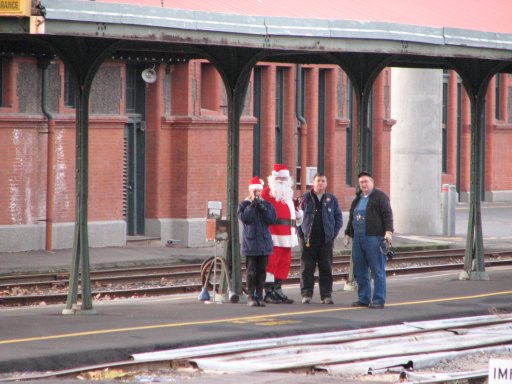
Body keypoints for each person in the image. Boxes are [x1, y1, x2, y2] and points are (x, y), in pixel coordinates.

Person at [344, 171, 394, 309]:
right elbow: (351, 219)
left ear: (372, 182)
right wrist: (348, 234)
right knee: (360, 270)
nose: (364, 184)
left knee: (377, 270)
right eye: (361, 182)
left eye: (366, 181)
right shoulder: (357, 200)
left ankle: (378, 299)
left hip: (374, 238)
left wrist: (388, 232)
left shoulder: (380, 197)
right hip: (358, 239)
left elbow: (387, 215)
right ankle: (363, 298)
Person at [297, 173, 343, 304]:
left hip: (325, 241)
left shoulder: (332, 199)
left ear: (326, 183)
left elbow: (338, 219)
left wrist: (332, 234)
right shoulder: (305, 198)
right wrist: (301, 234)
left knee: (326, 268)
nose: (321, 183)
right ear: (313, 183)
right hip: (308, 241)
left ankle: (326, 295)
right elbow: (297, 217)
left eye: (323, 181)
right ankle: (306, 294)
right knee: (306, 269)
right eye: (318, 181)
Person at [261, 164, 303, 304]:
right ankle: (268, 292)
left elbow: (292, 213)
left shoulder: (288, 193)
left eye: (283, 178)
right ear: (273, 178)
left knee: (285, 263)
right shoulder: (267, 192)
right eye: (278, 178)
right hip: (274, 235)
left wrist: (298, 214)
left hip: (288, 234)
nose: (281, 181)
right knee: (272, 263)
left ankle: (278, 290)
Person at [237, 176, 277, 307]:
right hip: (251, 243)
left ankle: (260, 296)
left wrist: (262, 207)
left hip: (264, 243)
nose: (256, 193)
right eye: (254, 191)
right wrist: (253, 206)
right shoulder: (244, 205)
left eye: (258, 191)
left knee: (262, 271)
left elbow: (271, 219)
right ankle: (251, 296)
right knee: (251, 271)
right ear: (250, 191)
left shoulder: (267, 205)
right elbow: (245, 218)